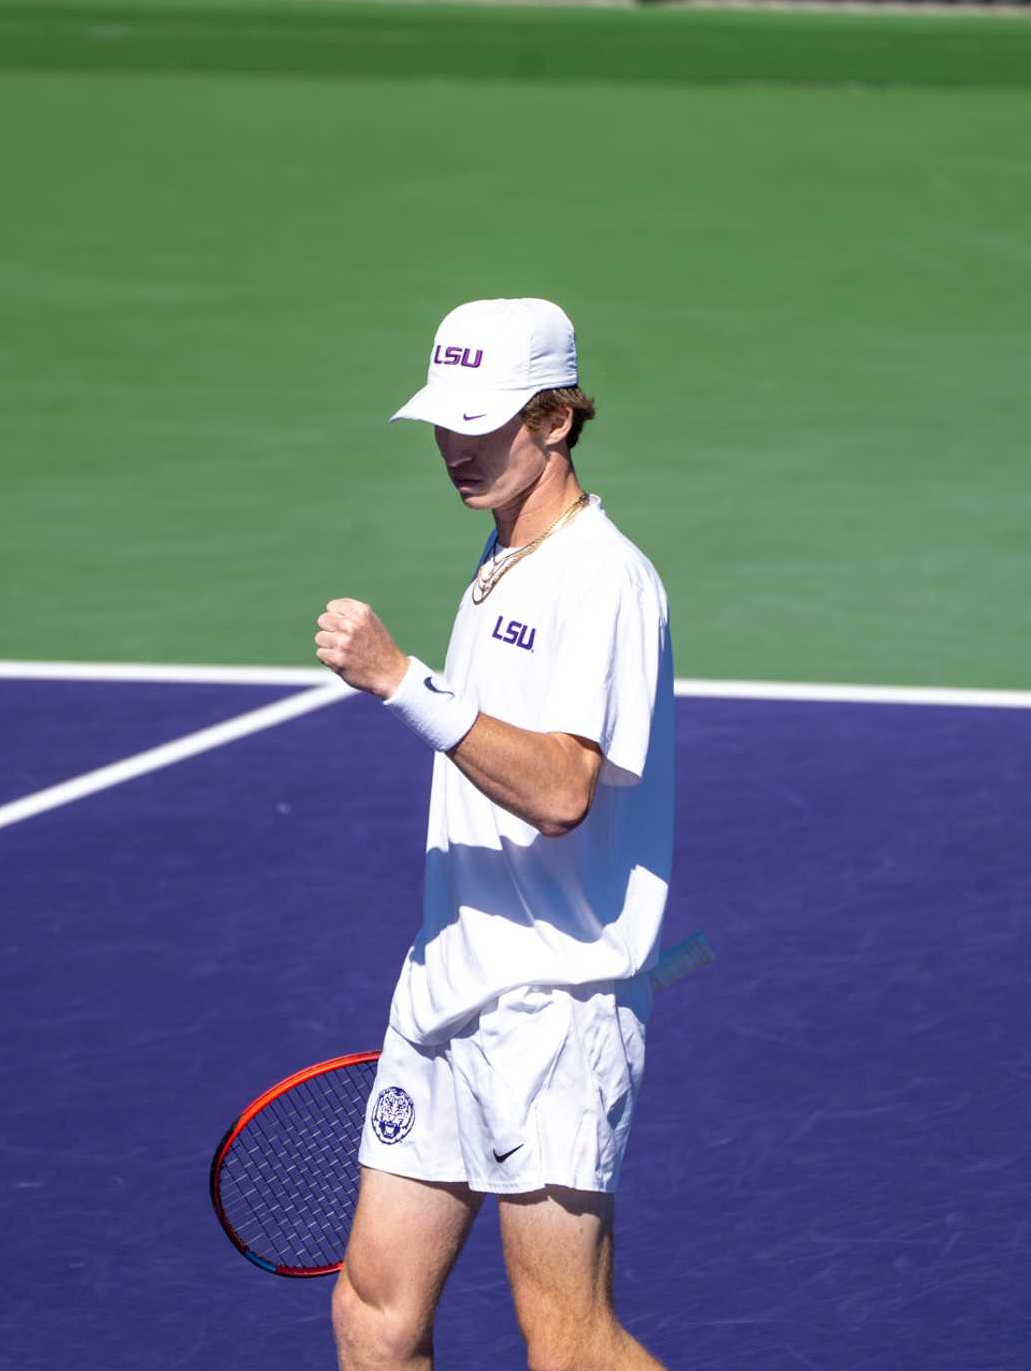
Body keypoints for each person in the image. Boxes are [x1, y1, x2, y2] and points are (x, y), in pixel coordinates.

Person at [313, 297, 674, 1371]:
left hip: (552, 1007)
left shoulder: (602, 578)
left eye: (486, 421)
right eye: (444, 421)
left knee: (568, 1343)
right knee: (374, 1320)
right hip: (445, 985)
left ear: (556, 419)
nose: (457, 447)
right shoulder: (503, 550)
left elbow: (564, 789)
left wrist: (397, 679)